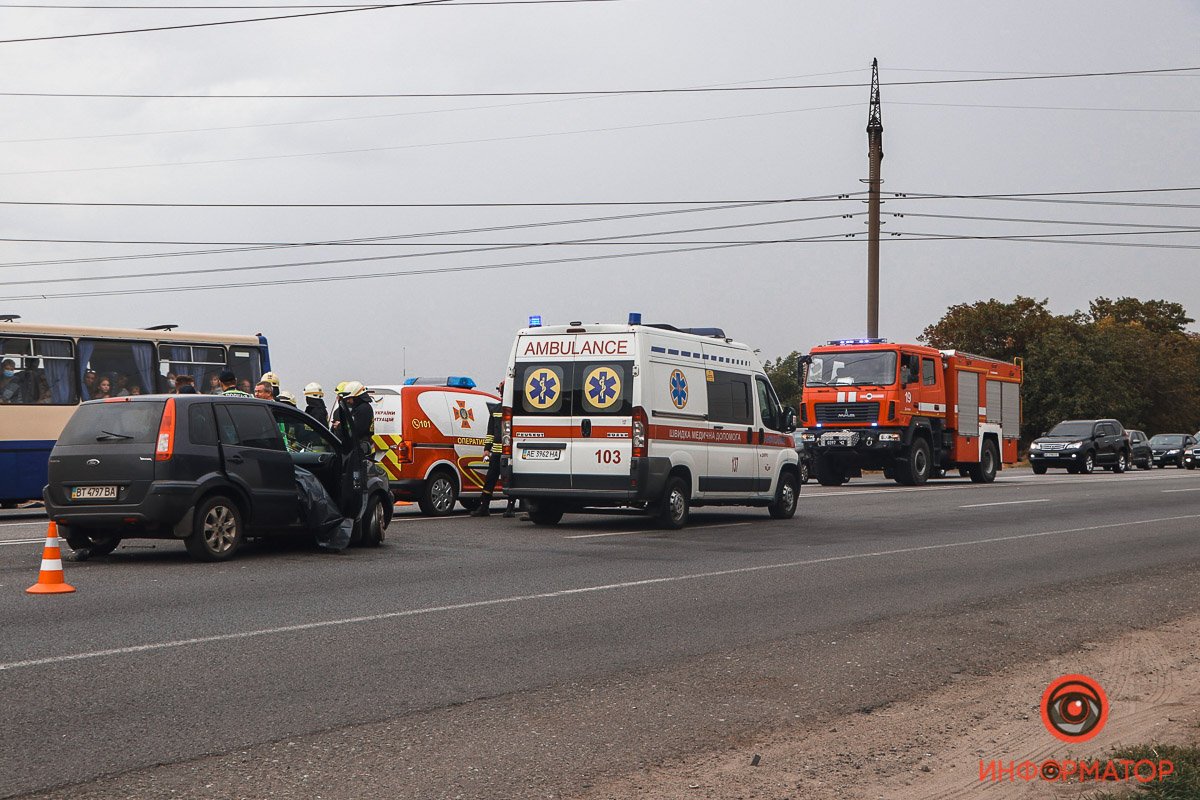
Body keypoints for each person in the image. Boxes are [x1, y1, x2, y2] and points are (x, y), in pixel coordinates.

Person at [470, 382, 516, 517]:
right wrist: (486, 449)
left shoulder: (515, 409)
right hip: (496, 451)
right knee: (490, 479)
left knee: (509, 479)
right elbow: (490, 432)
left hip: (509, 451)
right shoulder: (495, 409)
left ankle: (510, 508)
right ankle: (484, 507)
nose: (501, 393)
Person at [334, 381, 375, 520]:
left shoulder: (363, 409)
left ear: (357, 396)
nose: (349, 402)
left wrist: (340, 427)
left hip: (360, 449)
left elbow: (356, 430)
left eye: (350, 399)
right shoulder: (361, 408)